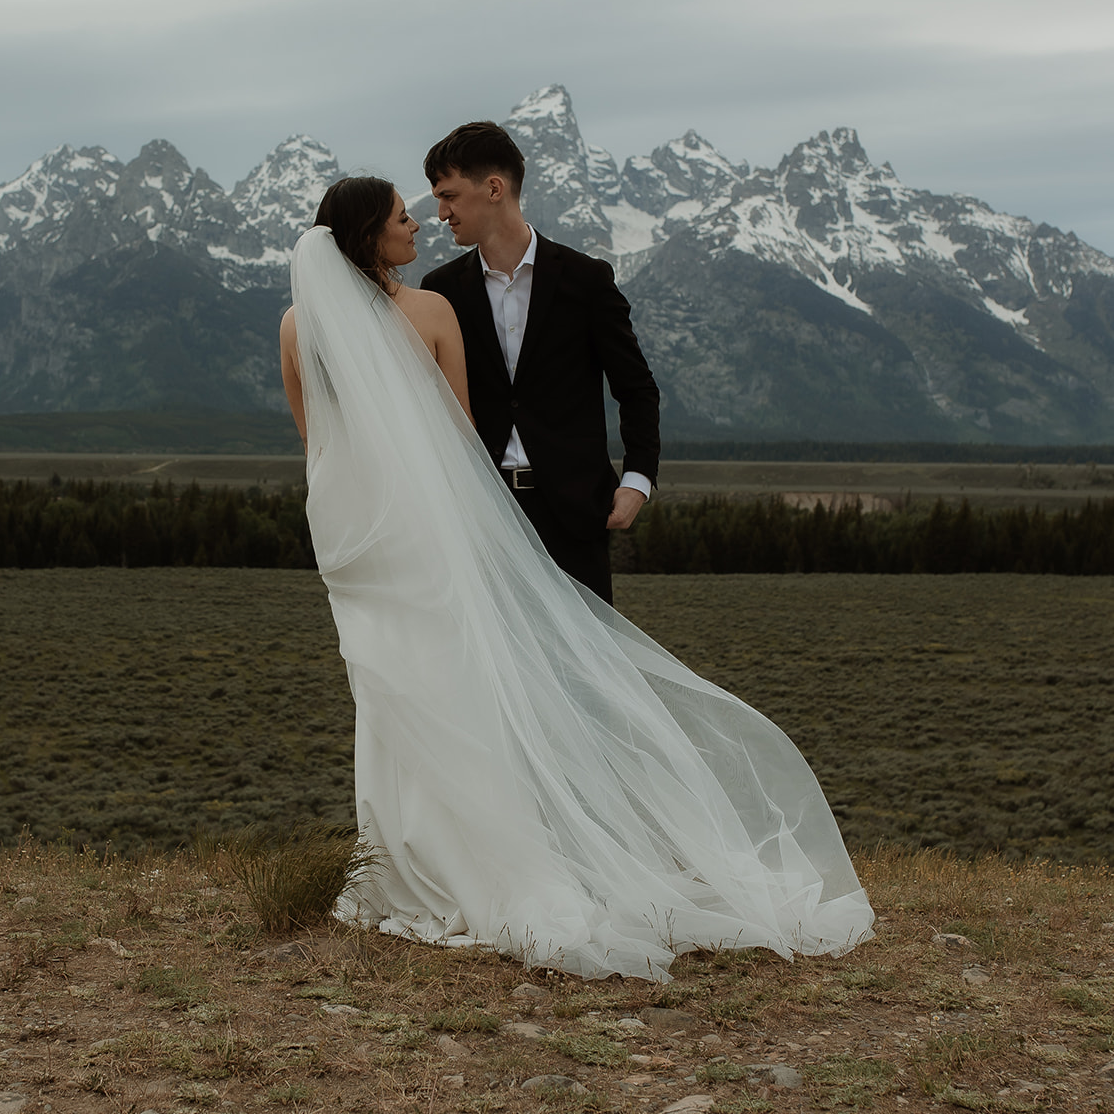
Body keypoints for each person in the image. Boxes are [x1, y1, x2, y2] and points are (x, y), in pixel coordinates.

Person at [280, 176, 874, 982]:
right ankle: (482, 860)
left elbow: (316, 440)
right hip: (424, 535)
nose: (417, 223)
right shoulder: (431, 313)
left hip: (354, 537)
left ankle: (401, 869)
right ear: (364, 234)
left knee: (389, 690)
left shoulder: (298, 325)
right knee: (454, 687)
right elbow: (461, 441)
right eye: (399, 217)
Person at [421, 121, 659, 604]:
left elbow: (636, 388)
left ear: (493, 188)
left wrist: (638, 479)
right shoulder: (439, 289)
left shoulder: (587, 279)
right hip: (480, 513)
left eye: (449, 196)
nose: (441, 213)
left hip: (573, 513)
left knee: (585, 673)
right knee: (497, 676)